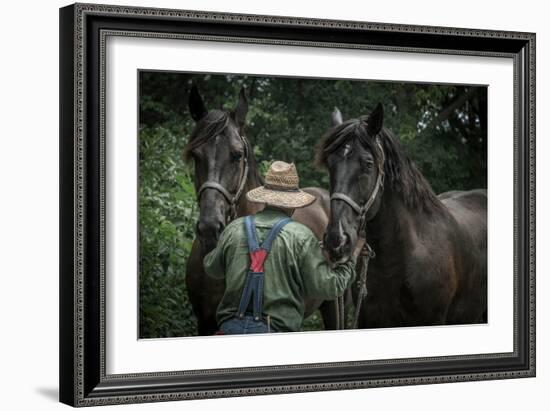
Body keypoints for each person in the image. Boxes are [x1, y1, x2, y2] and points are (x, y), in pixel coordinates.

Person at [203, 161, 357, 334]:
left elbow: (212, 269)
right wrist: (348, 260)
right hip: (277, 334)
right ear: (293, 203)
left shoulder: (234, 229)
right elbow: (329, 288)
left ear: (265, 198)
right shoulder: (301, 236)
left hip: (230, 330)